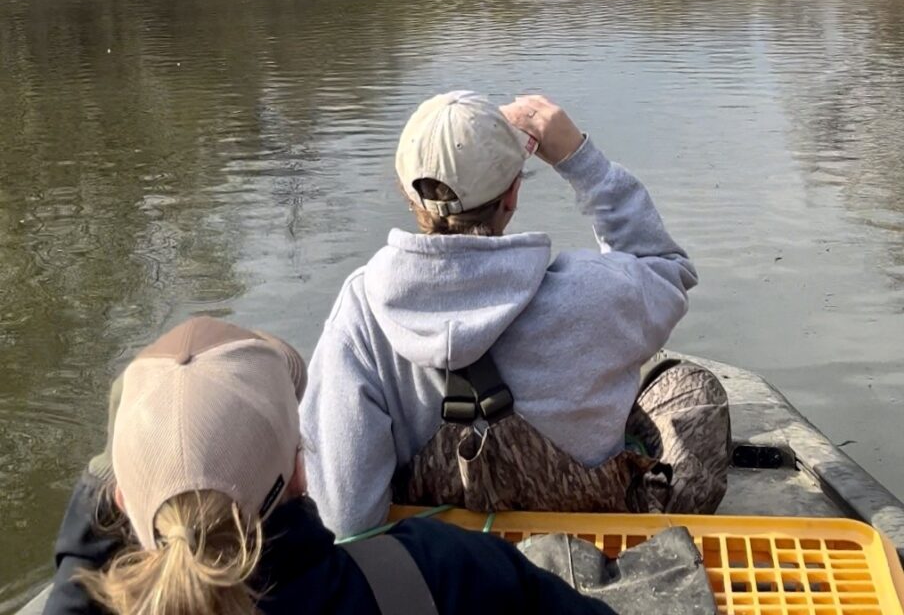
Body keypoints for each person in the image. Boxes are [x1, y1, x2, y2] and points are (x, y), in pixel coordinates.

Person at [301, 91, 730, 536]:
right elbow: (665, 267)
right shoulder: (592, 290)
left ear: (410, 196)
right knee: (690, 388)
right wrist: (577, 157)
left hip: (449, 563)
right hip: (595, 543)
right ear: (512, 195)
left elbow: (345, 514)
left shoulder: (361, 309)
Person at [44, 314, 617, 615]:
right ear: (299, 471)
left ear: (120, 503)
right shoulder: (440, 569)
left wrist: (126, 461)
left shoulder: (93, 599)